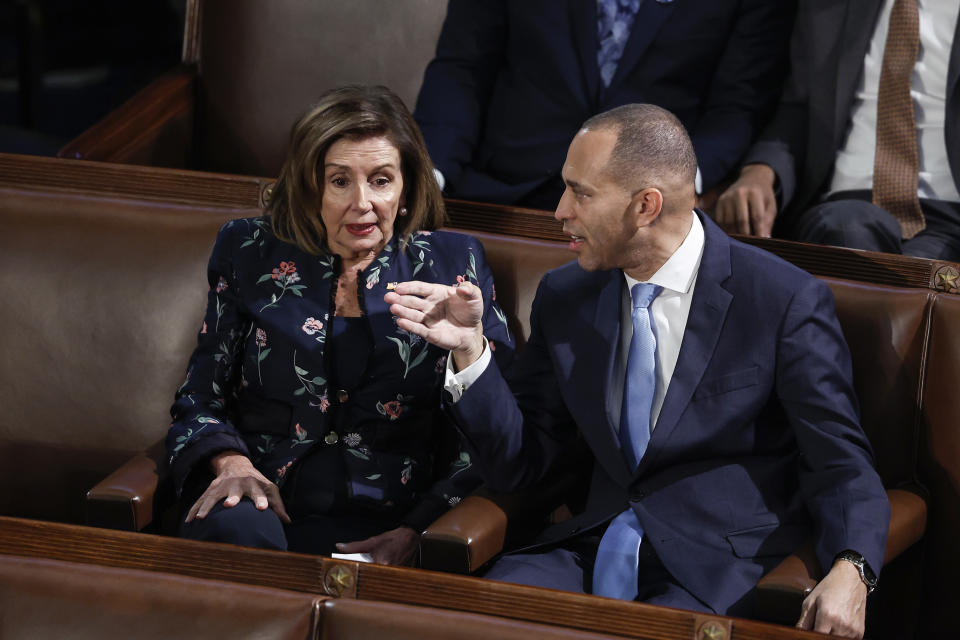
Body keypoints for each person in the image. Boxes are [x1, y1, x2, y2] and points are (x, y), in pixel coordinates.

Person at [386, 104, 889, 638]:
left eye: (580, 193)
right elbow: (523, 467)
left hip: (719, 572)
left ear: (646, 205)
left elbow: (839, 460)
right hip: (586, 549)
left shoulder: (782, 300)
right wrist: (469, 348)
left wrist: (852, 567)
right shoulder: (565, 297)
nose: (560, 211)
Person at [165, 85, 514, 565]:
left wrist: (418, 529)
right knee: (238, 527)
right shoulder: (248, 250)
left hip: (392, 518)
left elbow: (496, 439)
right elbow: (199, 396)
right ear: (312, 187)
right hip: (264, 503)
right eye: (340, 181)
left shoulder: (452, 263)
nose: (363, 202)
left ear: (407, 188)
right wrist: (232, 464)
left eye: (381, 180)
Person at [412, 0, 795, 211]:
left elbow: (736, 107)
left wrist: (678, 183)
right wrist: (429, 173)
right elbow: (463, 68)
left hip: (638, 209)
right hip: (498, 192)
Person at [714, 0, 960, 261]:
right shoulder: (830, 7)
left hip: (948, 212)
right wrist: (759, 172)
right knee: (847, 232)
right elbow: (800, 109)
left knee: (920, 272)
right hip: (846, 206)